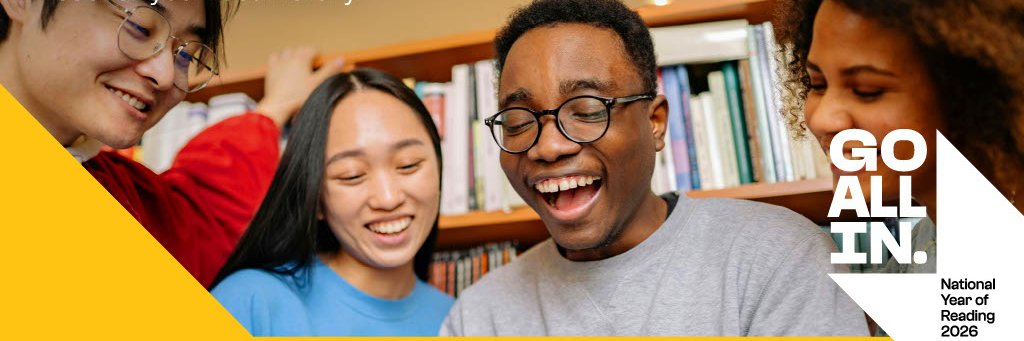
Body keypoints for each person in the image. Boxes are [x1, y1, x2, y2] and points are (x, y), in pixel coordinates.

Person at [441, 0, 867, 336]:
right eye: (518, 122)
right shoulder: (478, 317)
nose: (548, 146)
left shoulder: (778, 258)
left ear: (655, 122)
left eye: (588, 110)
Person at [0, 0, 344, 287]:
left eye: (186, 56)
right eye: (138, 27)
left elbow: (202, 218)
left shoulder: (121, 193)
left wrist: (272, 111)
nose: (166, 76)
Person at [775, 0, 1024, 275]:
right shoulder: (927, 238)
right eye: (818, 85)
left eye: (867, 90)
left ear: (976, 96)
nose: (822, 118)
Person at [210, 68, 453, 336]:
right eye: (353, 175)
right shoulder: (251, 301)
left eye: (408, 165)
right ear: (316, 200)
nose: (388, 198)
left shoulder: (460, 319)